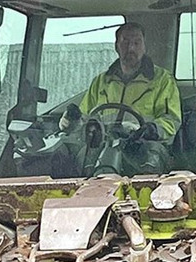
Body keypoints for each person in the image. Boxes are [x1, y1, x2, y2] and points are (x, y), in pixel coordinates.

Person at [57, 22, 181, 176]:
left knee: (151, 162)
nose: (131, 48)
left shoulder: (163, 80)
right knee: (76, 161)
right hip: (104, 146)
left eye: (137, 43)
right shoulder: (101, 82)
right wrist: (71, 121)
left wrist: (151, 129)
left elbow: (172, 120)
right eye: (125, 42)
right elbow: (85, 118)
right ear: (116, 47)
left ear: (144, 47)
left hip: (144, 145)